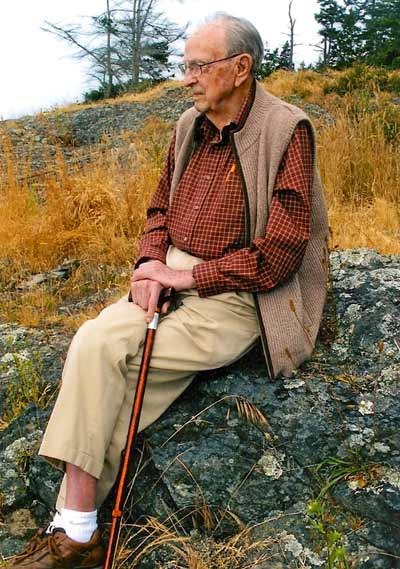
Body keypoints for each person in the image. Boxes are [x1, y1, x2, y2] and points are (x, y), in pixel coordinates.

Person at [10, 12, 329, 569]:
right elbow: (159, 209)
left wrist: (184, 278)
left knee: (112, 374)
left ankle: (72, 526)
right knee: (91, 342)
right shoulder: (189, 125)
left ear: (239, 68)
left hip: (240, 296)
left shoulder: (286, 130)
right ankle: (80, 533)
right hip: (170, 274)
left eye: (197, 66)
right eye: (185, 66)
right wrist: (148, 265)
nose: (186, 78)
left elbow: (279, 255)